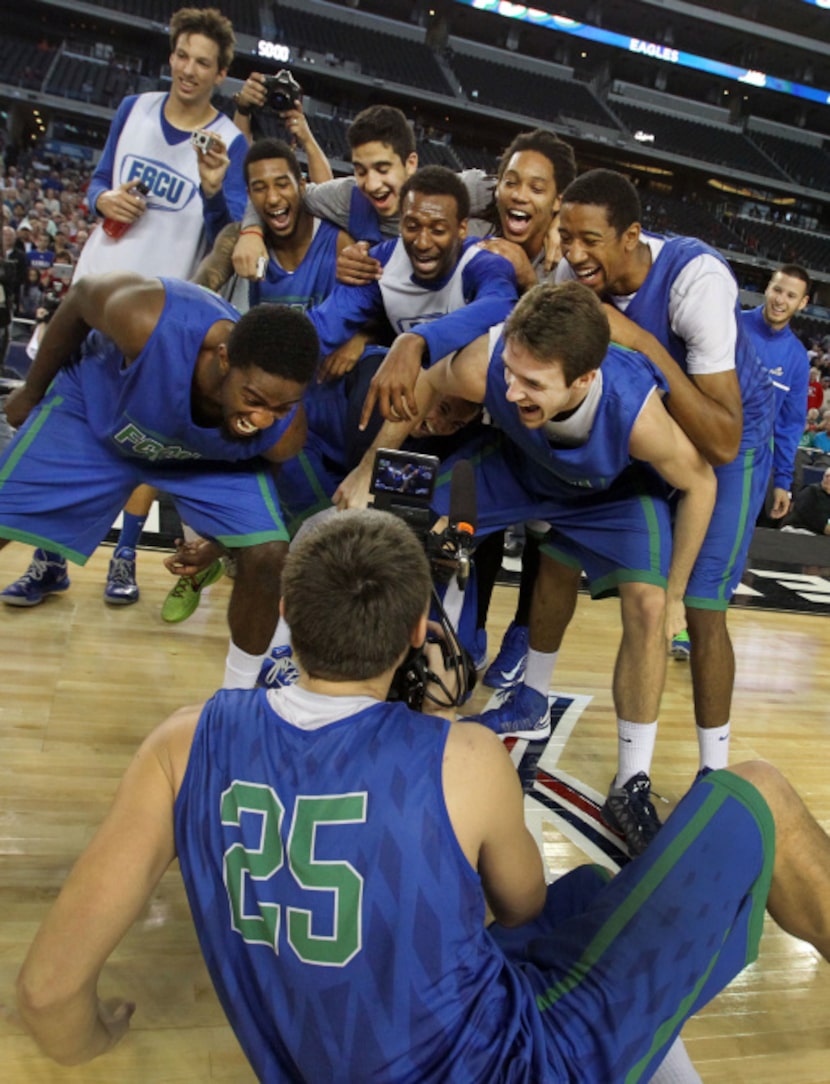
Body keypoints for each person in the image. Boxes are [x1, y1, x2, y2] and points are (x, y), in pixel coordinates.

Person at [15, 509, 830, 1082]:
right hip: (519, 1067)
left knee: (590, 897)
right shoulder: (463, 757)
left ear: (288, 614)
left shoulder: (180, 745)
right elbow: (517, 905)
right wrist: (445, 727)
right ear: (417, 632)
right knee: (752, 794)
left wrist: (91, 1041)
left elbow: (48, 993)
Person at [336, 283, 716, 855]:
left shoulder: (636, 413)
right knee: (398, 530)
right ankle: (363, 704)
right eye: (510, 372)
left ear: (585, 380)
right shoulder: (488, 361)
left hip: (608, 495)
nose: (510, 390)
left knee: (651, 605)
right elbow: (429, 381)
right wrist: (369, 469)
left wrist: (680, 593)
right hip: (520, 468)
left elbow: (701, 483)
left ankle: (630, 780)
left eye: (532, 383)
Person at [1, 7, 249, 609]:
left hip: (160, 318)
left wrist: (216, 195)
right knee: (64, 430)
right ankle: (48, 559)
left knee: (142, 436)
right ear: (171, 56)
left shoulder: (230, 142)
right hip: (91, 294)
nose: (189, 70)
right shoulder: (133, 108)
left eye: (203, 63)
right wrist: (103, 197)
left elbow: (232, 231)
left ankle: (125, 555)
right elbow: (96, 184)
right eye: (182, 56)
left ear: (220, 74)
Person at [555, 168, 774, 786]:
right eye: (565, 237)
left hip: (731, 439)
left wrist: (643, 343)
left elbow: (722, 439)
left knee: (702, 610)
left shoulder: (695, 280)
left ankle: (713, 773)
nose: (573, 254)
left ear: (631, 236)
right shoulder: (570, 277)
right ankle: (620, 767)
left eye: (589, 240)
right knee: (605, 580)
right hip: (651, 431)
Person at [0, 272, 318, 690]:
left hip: (198, 457)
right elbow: (78, 299)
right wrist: (31, 389)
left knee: (267, 551)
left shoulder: (283, 432)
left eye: (281, 407)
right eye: (254, 400)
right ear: (224, 359)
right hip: (99, 418)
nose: (262, 418)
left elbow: (262, 482)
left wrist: (218, 544)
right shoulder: (148, 320)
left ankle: (237, 698)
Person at [160, 136, 353, 624]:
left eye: (282, 183)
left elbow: (371, 301)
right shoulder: (244, 238)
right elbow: (206, 281)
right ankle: (211, 556)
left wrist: (360, 337)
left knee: (323, 524)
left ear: (302, 186)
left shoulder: (339, 238)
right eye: (258, 188)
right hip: (283, 407)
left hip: (335, 400)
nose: (272, 197)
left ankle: (219, 557)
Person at [309, 165, 518, 397]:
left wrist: (418, 339)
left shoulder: (482, 260)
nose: (422, 243)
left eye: (438, 230)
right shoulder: (381, 261)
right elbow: (326, 323)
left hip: (474, 405)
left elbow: (502, 304)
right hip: (412, 400)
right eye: (412, 227)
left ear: (461, 229)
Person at [232, 103, 493, 276]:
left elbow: (520, 194)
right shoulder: (347, 198)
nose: (371, 184)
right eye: (361, 170)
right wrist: (251, 231)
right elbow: (284, 195)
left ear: (410, 163)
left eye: (382, 169)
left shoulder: (463, 190)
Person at [741, 265, 810, 521]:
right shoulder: (732, 324)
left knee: (727, 551)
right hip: (701, 451)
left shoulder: (797, 358)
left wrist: (782, 480)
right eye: (777, 290)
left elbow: (789, 426)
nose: (780, 300)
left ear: (802, 303)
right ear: (767, 288)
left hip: (749, 469)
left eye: (791, 296)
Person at [782, 466, 830, 535]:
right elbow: (823, 525)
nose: (828, 479)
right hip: (797, 532)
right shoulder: (811, 492)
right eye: (827, 476)